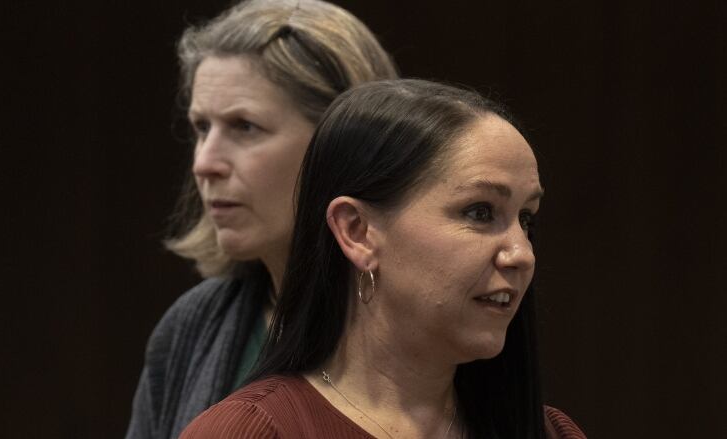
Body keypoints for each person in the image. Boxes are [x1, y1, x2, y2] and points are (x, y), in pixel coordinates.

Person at [178, 79, 587, 438]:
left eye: (526, 219)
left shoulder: (552, 432)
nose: (521, 254)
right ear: (357, 231)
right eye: (479, 212)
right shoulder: (252, 431)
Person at [124, 1, 398, 438]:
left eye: (245, 127)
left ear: (342, 145)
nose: (205, 162)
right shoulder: (191, 328)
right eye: (201, 128)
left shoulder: (429, 322)